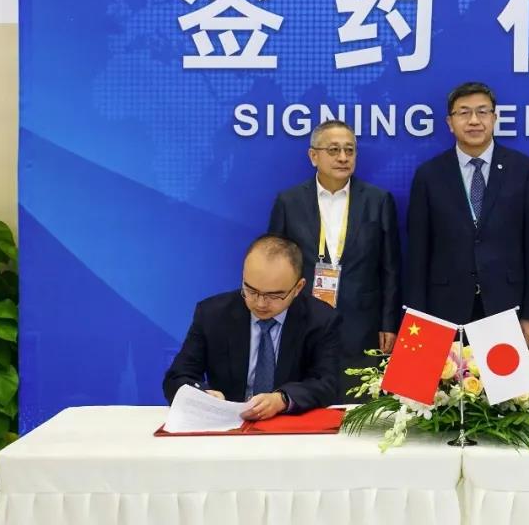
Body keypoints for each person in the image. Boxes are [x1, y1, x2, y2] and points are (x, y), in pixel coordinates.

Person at [406, 82, 529, 345]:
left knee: (505, 376)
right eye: (464, 113)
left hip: (506, 306)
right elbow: (417, 253)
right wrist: (417, 317)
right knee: (448, 374)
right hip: (443, 309)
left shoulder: (524, 170)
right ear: (450, 122)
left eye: (482, 112)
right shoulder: (429, 175)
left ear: (494, 118)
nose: (474, 120)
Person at [268, 119, 401, 400]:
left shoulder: (378, 200)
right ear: (313, 156)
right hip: (304, 320)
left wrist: (389, 323)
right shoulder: (288, 202)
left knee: (359, 406)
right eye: (333, 150)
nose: (343, 157)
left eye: (349, 150)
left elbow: (390, 268)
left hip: (362, 323)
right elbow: (274, 264)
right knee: (305, 401)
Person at [162, 235, 342, 418]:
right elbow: (177, 377)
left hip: (287, 425)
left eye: (273, 296)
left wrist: (283, 400)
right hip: (228, 423)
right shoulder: (212, 315)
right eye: (251, 290)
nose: (260, 303)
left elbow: (327, 383)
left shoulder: (321, 320)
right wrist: (203, 396)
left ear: (297, 288)